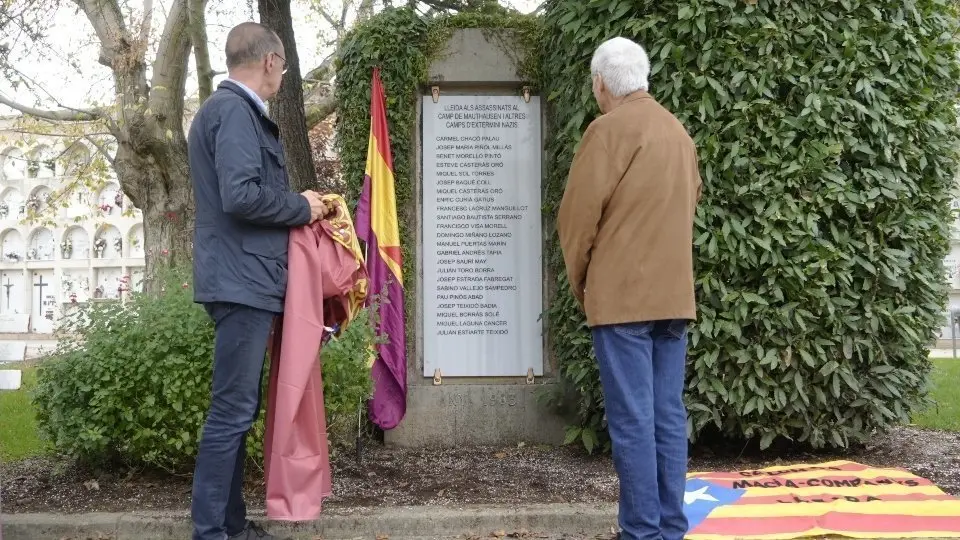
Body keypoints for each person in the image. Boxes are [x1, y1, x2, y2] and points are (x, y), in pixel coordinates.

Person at [187, 21, 329, 540]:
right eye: (284, 68)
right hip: (241, 283)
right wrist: (302, 206)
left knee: (237, 412)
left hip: (242, 278)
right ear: (270, 60)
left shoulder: (227, 111)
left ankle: (231, 526)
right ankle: (211, 532)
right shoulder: (234, 112)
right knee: (231, 412)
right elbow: (241, 196)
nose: (282, 78)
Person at [556, 37, 702, 540]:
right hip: (674, 299)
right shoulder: (678, 133)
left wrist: (582, 284)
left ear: (601, 83)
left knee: (633, 421)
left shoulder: (607, 130)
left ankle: (640, 531)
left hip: (622, 302)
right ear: (644, 78)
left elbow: (577, 221)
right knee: (666, 415)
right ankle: (670, 527)